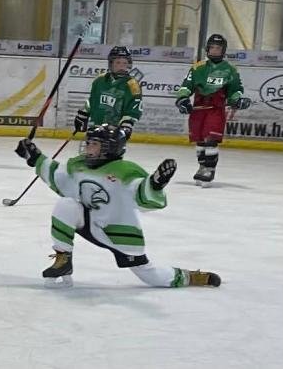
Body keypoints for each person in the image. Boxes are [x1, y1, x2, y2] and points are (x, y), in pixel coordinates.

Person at [15, 124, 221, 289]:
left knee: (152, 276)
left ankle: (193, 277)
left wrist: (155, 184)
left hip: (119, 232)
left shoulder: (125, 171)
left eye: (94, 144)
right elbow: (56, 176)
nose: (87, 148)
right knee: (66, 205)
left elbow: (146, 197)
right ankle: (63, 260)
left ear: (109, 148)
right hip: (91, 222)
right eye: (88, 143)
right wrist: (33, 157)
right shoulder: (78, 165)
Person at [175, 34, 251, 186]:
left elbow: (235, 90)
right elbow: (186, 85)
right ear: (207, 49)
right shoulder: (197, 67)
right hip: (198, 109)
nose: (215, 50)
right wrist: (182, 98)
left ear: (223, 50)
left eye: (218, 48)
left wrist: (237, 101)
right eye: (212, 47)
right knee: (200, 141)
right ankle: (202, 166)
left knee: (211, 140)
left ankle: (210, 169)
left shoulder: (230, 70)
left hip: (215, 110)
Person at [73, 46, 143, 140]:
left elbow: (134, 107)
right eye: (118, 62)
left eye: (125, 63)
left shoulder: (132, 85)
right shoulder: (100, 80)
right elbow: (93, 100)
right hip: (96, 127)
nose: (122, 66)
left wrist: (127, 124)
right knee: (91, 151)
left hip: (115, 131)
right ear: (111, 64)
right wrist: (83, 114)